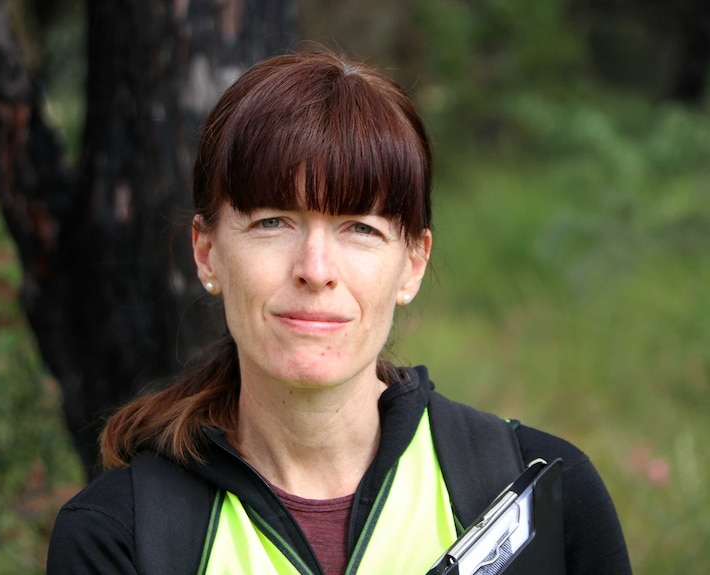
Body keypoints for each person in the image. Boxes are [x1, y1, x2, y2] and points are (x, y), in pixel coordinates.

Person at [46, 51, 631, 575]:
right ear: (207, 252)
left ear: (413, 264)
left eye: (359, 228)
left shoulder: (546, 494)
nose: (315, 268)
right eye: (272, 221)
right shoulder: (117, 538)